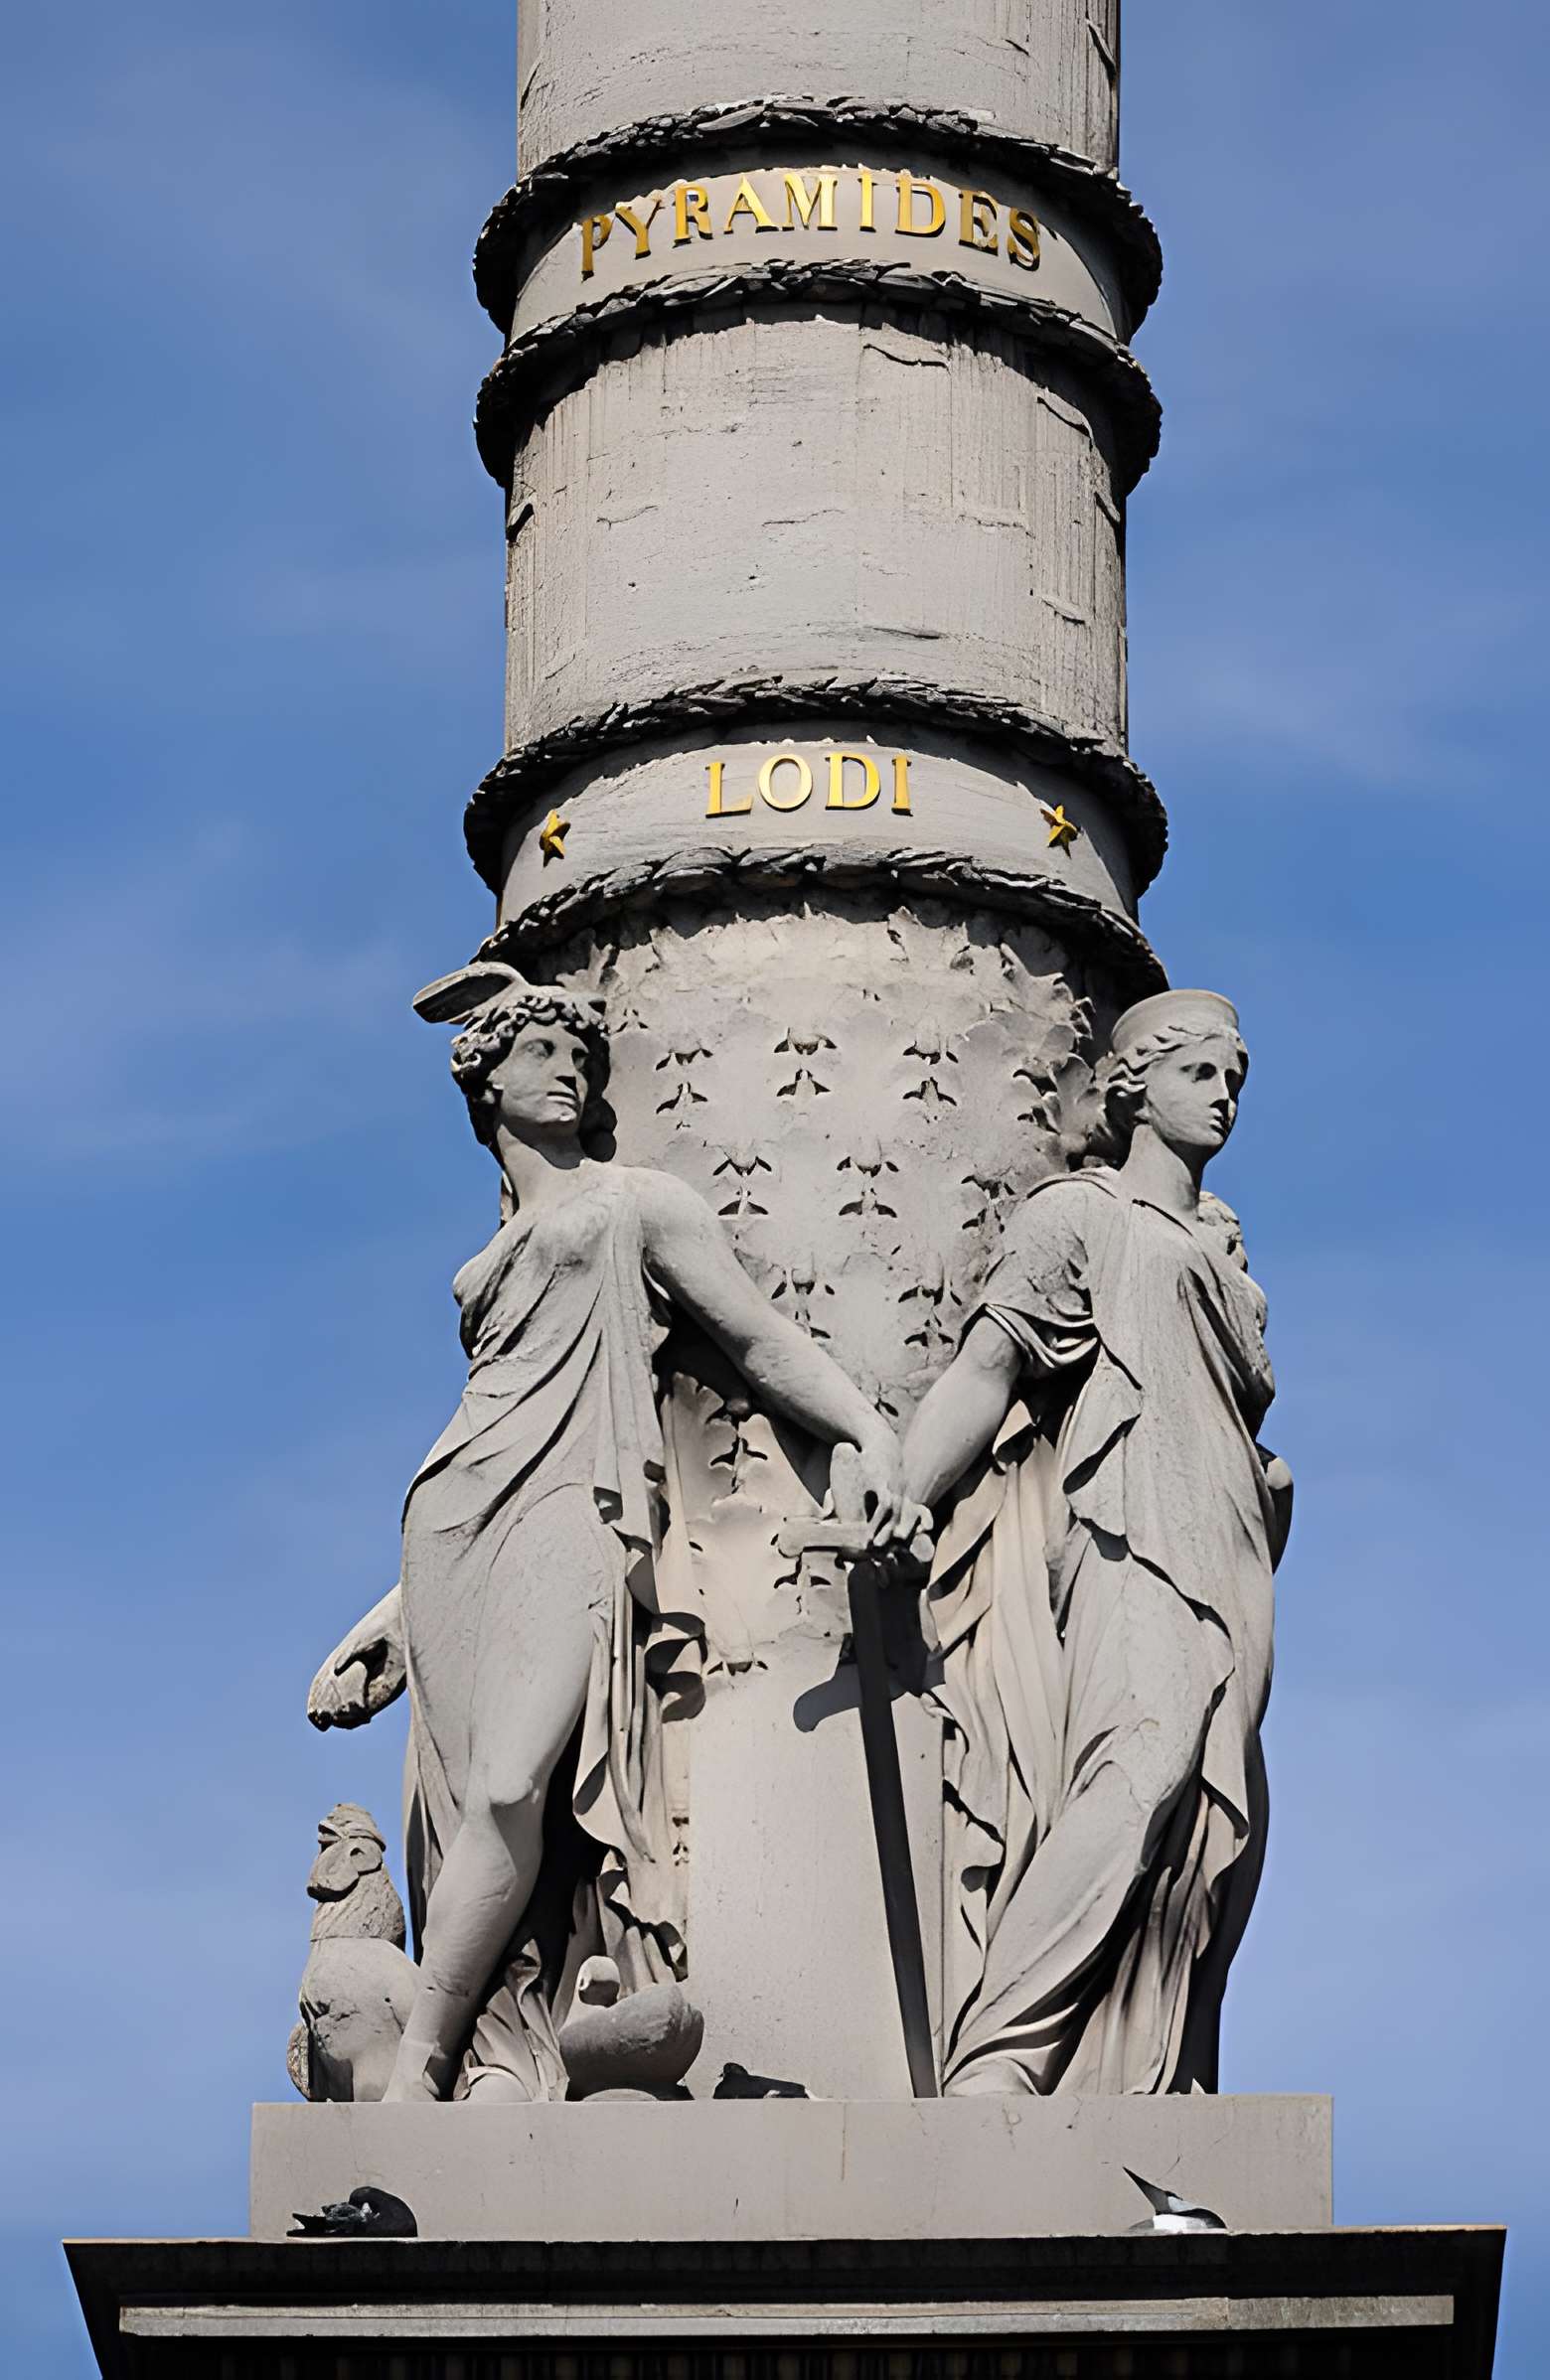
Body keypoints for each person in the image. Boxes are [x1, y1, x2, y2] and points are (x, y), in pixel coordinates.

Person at [308, 960, 915, 2102]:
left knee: (504, 1790)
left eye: (584, 1057)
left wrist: (865, 1431)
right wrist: (389, 1609)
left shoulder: (641, 1202)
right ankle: (496, 2039)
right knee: (462, 1814)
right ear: (485, 1080)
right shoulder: (498, 1247)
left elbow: (759, 1336)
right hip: (456, 1517)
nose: (572, 1070)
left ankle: (423, 2059)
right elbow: (487, 1411)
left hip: (577, 1504)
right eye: (543, 1052)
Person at [900, 990, 1292, 2095]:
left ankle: (1156, 2074)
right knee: (1143, 1759)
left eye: (1233, 1078)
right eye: (1199, 1073)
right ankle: (1003, 2050)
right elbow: (986, 1370)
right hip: (1129, 1520)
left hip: (1232, 1541)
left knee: (1219, 1824)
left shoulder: (1221, 1257)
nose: (1221, 1096)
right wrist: (904, 1494)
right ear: (1133, 1085)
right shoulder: (1079, 1215)